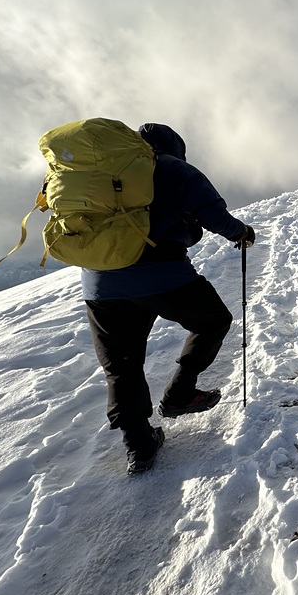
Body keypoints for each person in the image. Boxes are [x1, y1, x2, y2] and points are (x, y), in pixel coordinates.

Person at [83, 123, 255, 475]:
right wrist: (242, 233)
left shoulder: (98, 174)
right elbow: (213, 213)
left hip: (100, 285)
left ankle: (139, 446)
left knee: (121, 364)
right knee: (213, 321)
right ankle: (180, 394)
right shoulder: (171, 167)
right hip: (162, 275)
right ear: (175, 147)